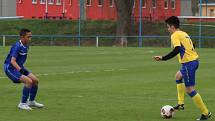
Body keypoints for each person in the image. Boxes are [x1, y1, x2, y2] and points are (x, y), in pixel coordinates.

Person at [153, 16, 211, 120]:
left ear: (172, 26)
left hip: (189, 63)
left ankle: (205, 113)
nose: (168, 29)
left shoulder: (175, 35)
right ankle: (180, 104)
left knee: (189, 90)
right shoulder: (184, 33)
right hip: (193, 62)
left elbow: (177, 49)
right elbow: (192, 44)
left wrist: (163, 58)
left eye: (168, 27)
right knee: (178, 76)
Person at [4, 28, 44, 110]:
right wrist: (20, 70)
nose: (30, 39)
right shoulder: (17, 46)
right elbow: (12, 61)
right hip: (10, 68)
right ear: (22, 37)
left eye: (30, 36)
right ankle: (22, 104)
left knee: (35, 80)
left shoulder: (26, 45)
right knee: (28, 81)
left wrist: (21, 69)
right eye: (28, 37)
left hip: (19, 67)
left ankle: (31, 102)